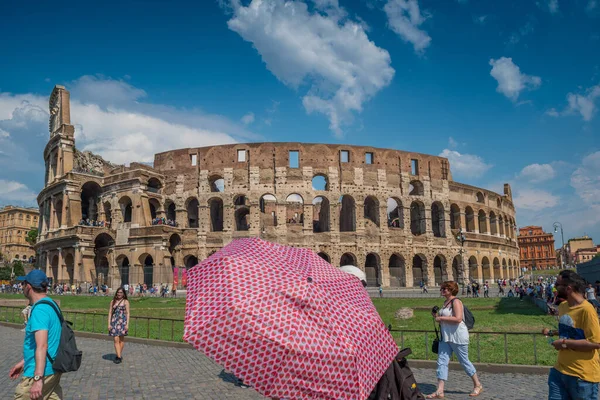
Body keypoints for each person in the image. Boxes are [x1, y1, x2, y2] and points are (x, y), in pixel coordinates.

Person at [542, 270, 600, 400]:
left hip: (582, 376)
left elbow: (595, 342)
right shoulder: (563, 306)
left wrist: (563, 343)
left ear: (568, 288)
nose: (554, 286)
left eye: (557, 284)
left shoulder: (587, 310)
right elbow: (570, 331)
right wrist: (551, 332)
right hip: (559, 373)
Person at [9, 270, 63, 399]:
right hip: (53, 369)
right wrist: (23, 362)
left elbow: (42, 345)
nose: (21, 287)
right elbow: (49, 340)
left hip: (39, 371)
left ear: (28, 286)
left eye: (23, 284)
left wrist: (38, 379)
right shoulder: (51, 304)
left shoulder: (40, 310)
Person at [426, 281, 483, 398]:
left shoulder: (456, 301)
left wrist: (441, 317)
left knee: (464, 361)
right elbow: (444, 319)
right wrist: (436, 316)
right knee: (441, 362)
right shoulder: (445, 302)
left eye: (444, 289)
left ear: (451, 290)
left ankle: (477, 385)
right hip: (445, 337)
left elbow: (458, 318)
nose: (442, 291)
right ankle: (440, 390)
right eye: (441, 289)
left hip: (458, 336)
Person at [108, 287, 130, 364]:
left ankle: (118, 355)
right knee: (115, 339)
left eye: (121, 292)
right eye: (118, 292)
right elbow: (110, 313)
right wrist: (109, 324)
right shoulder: (112, 302)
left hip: (122, 322)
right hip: (114, 322)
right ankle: (119, 357)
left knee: (121, 339)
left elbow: (127, 313)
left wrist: (127, 324)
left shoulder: (126, 302)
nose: (119, 294)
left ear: (123, 294)